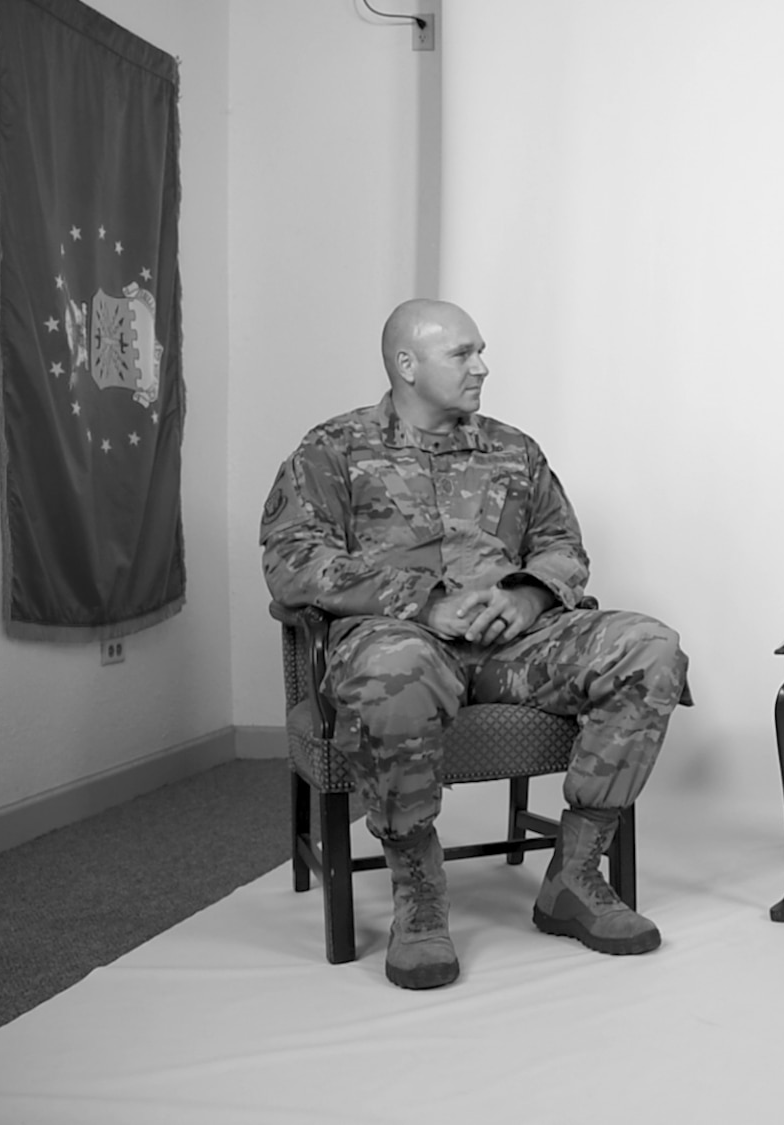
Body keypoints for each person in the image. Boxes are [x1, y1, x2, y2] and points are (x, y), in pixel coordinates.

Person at [261, 298, 688, 990]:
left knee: (649, 646)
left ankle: (575, 875)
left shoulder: (514, 449)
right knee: (394, 670)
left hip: (515, 645)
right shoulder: (331, 450)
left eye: (480, 351)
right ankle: (419, 896)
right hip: (401, 640)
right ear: (406, 365)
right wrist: (427, 602)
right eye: (464, 353)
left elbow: (562, 545)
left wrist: (525, 597)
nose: (482, 366)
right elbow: (292, 561)